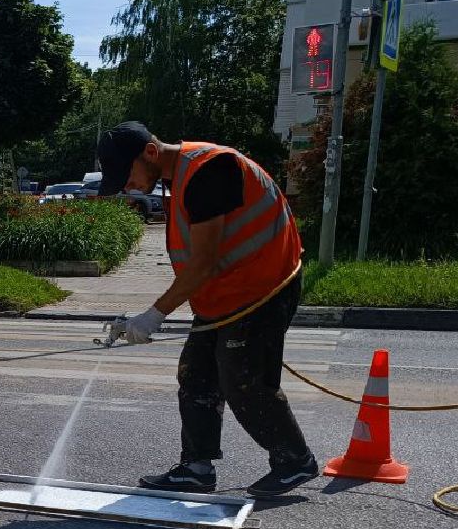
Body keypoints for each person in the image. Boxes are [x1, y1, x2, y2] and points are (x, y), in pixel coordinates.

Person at [98, 122, 317, 499]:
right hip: (225, 295)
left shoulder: (208, 171)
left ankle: (294, 459)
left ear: (150, 152)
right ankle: (196, 467)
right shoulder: (178, 178)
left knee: (242, 380)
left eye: (128, 175)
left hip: (263, 291)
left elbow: (203, 263)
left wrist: (153, 315)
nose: (128, 186)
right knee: (196, 373)